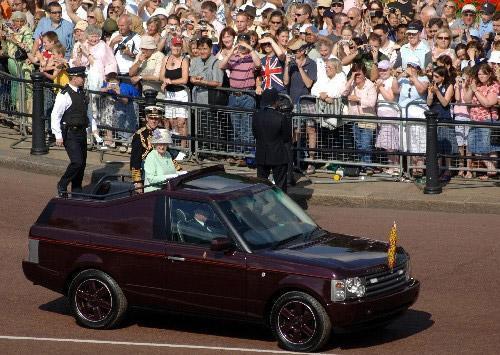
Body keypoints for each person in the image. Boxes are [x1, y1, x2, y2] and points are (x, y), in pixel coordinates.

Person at [50, 66, 97, 195]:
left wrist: (94, 129)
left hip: (81, 132)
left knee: (82, 165)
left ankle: (77, 190)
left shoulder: (82, 92)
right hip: (70, 133)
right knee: (77, 162)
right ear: (74, 78)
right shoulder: (64, 94)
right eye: (82, 77)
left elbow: (87, 113)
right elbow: (55, 115)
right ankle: (62, 183)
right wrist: (58, 135)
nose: (84, 79)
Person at [252, 88, 292, 192]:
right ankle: (281, 207)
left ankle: (259, 207)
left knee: (260, 186)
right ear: (276, 101)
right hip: (278, 154)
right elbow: (286, 137)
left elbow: (255, 134)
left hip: (262, 154)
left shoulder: (256, 116)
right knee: (280, 186)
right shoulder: (281, 117)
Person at [130, 105, 162, 191]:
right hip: (146, 171)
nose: (154, 121)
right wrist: (137, 181)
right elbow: (135, 160)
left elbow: (168, 154)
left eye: (156, 119)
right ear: (147, 118)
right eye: (151, 118)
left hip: (161, 169)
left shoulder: (161, 133)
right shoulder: (139, 135)